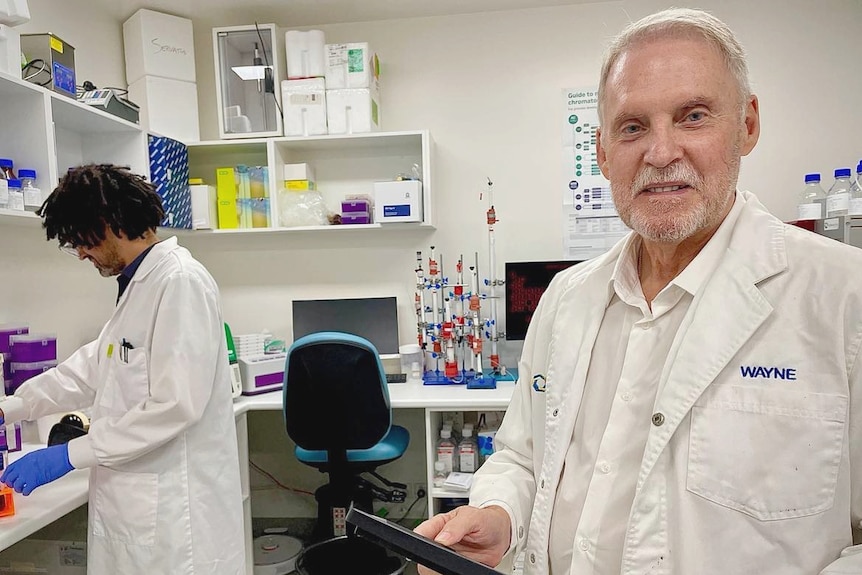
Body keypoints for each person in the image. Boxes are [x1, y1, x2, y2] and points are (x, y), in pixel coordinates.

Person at [416, 8, 862, 575]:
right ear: (602, 151)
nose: (660, 152)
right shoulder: (567, 297)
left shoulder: (844, 299)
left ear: (747, 125)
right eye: (632, 127)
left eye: (693, 116)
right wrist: (501, 514)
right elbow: (523, 456)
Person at [0, 164, 245, 574]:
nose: (80, 252)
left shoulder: (180, 282)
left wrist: (69, 455)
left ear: (108, 223)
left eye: (80, 239)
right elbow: (91, 368)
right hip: (139, 506)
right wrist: (13, 407)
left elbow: (174, 406)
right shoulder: (139, 286)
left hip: (173, 519)